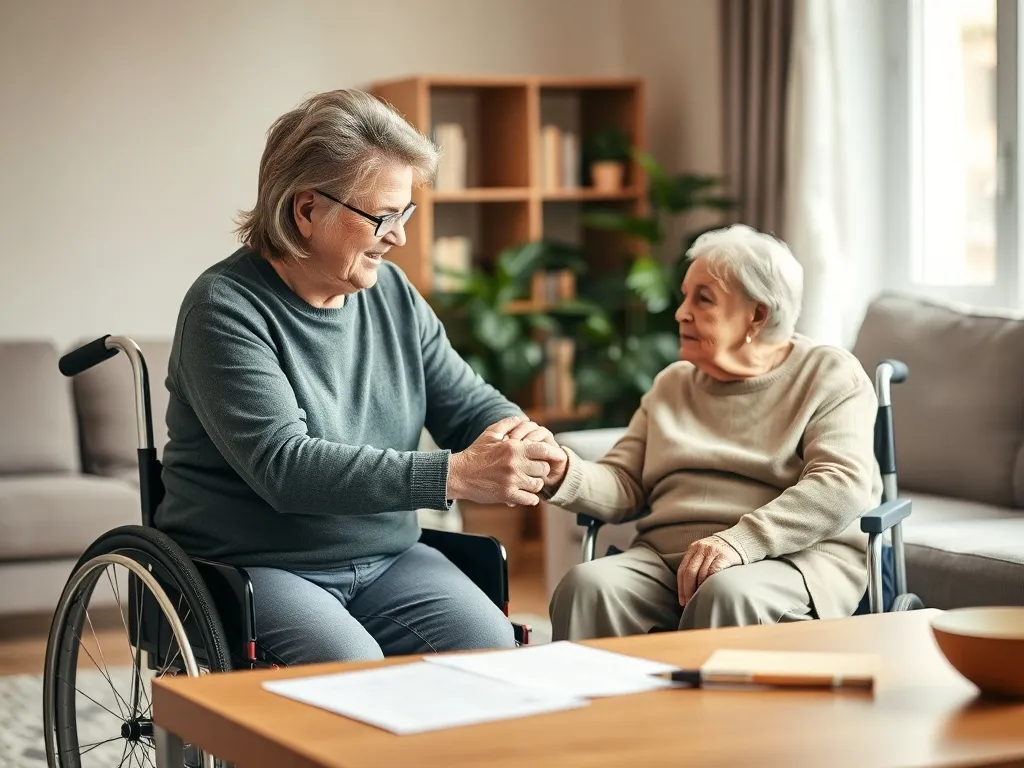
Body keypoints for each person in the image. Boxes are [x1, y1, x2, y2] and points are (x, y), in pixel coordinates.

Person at [155, 89, 566, 664]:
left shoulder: (392, 295)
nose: (399, 236)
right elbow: (286, 469)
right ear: (306, 210)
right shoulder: (224, 309)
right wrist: (454, 475)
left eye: (406, 213)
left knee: (492, 650)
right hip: (257, 564)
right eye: (383, 216)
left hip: (390, 558)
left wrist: (520, 435)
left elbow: (465, 402)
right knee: (352, 673)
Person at [545, 224, 881, 640]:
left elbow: (842, 484)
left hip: (790, 560)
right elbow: (623, 481)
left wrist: (740, 542)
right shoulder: (673, 384)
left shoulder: (827, 374)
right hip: (668, 561)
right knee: (587, 587)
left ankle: (707, 708)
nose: (681, 312)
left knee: (725, 593)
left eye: (703, 299)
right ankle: (599, 706)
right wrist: (560, 470)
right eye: (685, 295)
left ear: (756, 314)